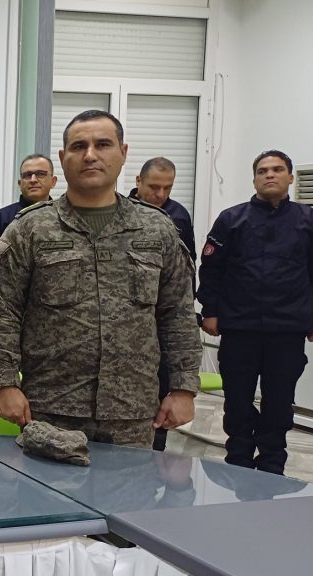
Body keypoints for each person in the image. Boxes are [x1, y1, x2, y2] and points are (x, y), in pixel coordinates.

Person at [0, 110, 200, 448]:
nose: (90, 155)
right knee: (47, 485)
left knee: (132, 486)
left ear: (123, 153)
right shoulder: (31, 229)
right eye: (78, 146)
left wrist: (183, 387)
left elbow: (178, 314)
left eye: (103, 144)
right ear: (62, 158)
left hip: (132, 410)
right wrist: (6, 383)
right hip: (51, 407)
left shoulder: (157, 229)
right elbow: (2, 313)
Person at [197, 149, 313, 474]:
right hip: (239, 328)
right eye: (262, 171)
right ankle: (238, 462)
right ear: (254, 179)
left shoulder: (309, 221)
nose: (269, 175)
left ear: (290, 177)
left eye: (277, 169)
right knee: (237, 400)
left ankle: (273, 466)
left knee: (278, 401)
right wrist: (210, 311)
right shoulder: (231, 220)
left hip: (287, 330)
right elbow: (211, 269)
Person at [128, 156, 197, 450]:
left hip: (163, 318)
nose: (160, 195)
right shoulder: (123, 212)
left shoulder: (177, 216)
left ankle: (155, 451)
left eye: (167, 188)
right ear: (138, 182)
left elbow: (186, 269)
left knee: (161, 392)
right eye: (154, 187)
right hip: (132, 319)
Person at [0, 153, 57, 334]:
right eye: (27, 175)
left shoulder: (65, 221)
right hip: (6, 319)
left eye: (40, 174)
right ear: (19, 183)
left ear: (53, 181)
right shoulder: (0, 220)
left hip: (54, 321)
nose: (33, 179)